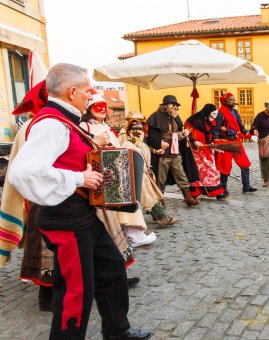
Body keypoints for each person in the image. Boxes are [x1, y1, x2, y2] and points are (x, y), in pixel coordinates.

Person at [8, 63, 150, 339]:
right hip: (65, 218)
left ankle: (117, 329)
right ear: (72, 91)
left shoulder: (63, 121)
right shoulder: (51, 124)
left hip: (80, 215)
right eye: (88, 90)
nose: (91, 95)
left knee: (111, 267)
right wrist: (78, 179)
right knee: (75, 291)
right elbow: (23, 172)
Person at [81, 93, 157, 248]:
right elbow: (84, 149)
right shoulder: (84, 127)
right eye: (98, 106)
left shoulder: (106, 127)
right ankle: (129, 236)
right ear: (89, 108)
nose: (102, 110)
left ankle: (133, 234)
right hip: (100, 172)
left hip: (115, 169)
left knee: (128, 199)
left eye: (104, 107)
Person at [122, 119, 178, 227]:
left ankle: (160, 217)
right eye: (135, 129)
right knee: (147, 198)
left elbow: (147, 154)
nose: (139, 132)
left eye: (141, 129)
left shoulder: (141, 145)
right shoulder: (127, 145)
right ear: (129, 132)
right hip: (135, 177)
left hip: (144, 175)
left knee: (152, 196)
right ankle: (162, 217)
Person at [146, 95, 199, 206]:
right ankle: (160, 202)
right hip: (162, 153)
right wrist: (159, 143)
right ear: (165, 106)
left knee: (181, 175)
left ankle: (188, 198)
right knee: (160, 178)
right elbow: (151, 136)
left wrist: (183, 135)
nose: (175, 107)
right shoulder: (155, 117)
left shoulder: (175, 117)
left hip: (175, 152)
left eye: (176, 105)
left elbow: (177, 134)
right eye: (173, 105)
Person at [215, 92, 258, 198]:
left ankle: (246, 186)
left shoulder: (235, 112)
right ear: (225, 101)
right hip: (225, 142)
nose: (234, 101)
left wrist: (249, 135)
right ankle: (223, 189)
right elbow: (216, 128)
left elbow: (241, 126)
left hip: (235, 141)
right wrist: (216, 142)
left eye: (234, 99)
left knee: (245, 163)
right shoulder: (220, 113)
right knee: (226, 166)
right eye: (231, 99)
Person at [184, 103, 225, 198]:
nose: (215, 117)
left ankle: (216, 192)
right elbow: (187, 133)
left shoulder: (211, 122)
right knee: (197, 172)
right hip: (195, 151)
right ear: (207, 113)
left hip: (206, 149)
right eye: (213, 114)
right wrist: (194, 141)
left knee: (211, 169)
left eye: (216, 114)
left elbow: (210, 134)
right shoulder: (192, 121)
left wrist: (212, 143)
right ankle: (194, 193)